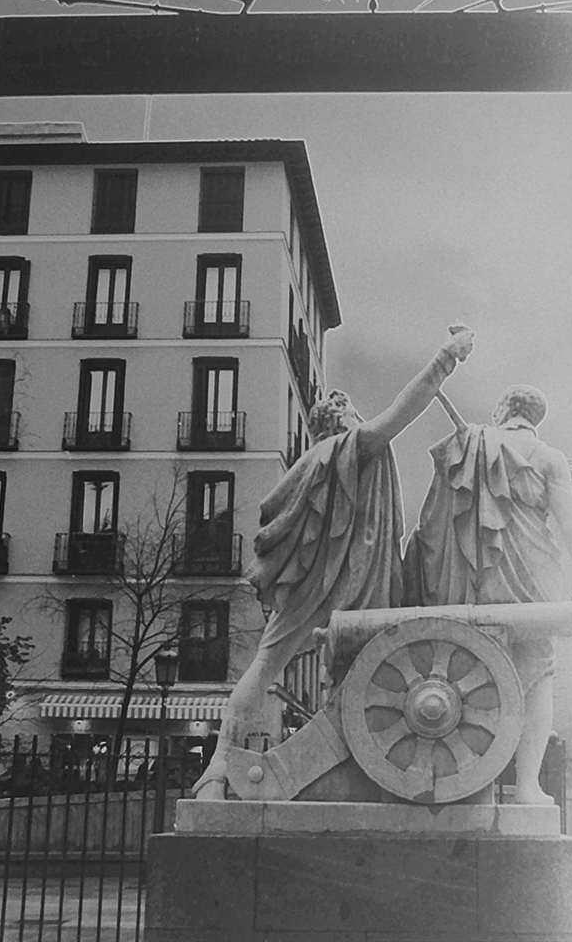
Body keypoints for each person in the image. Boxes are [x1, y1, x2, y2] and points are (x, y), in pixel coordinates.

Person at [191, 326, 476, 799]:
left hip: (311, 584)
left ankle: (218, 768)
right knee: (338, 669)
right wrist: (445, 358)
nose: (359, 415)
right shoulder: (348, 447)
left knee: (266, 666)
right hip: (346, 584)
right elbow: (400, 415)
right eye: (353, 411)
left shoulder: (313, 459)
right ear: (342, 419)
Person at [402, 384, 572, 804]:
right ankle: (527, 788)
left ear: (501, 411)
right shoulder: (551, 459)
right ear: (537, 419)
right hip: (532, 582)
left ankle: (468, 786)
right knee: (539, 679)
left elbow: (434, 519)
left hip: (473, 578)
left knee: (466, 678)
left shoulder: (473, 444)